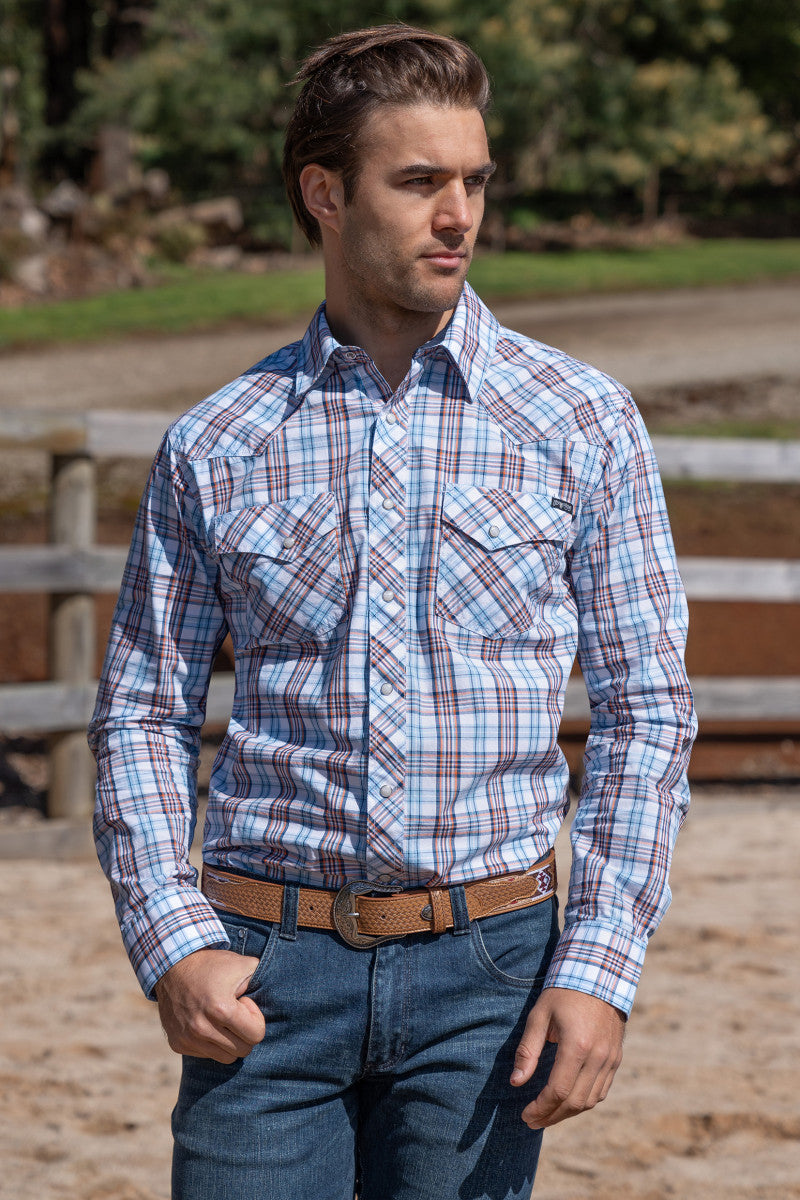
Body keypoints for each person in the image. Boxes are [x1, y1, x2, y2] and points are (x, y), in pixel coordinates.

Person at [89, 24, 696, 1200]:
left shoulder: (581, 422)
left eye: (473, 180)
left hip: (490, 980)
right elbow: (141, 715)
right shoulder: (216, 443)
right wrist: (171, 939)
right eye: (418, 182)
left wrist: (598, 966)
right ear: (324, 193)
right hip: (262, 978)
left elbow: (646, 712)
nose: (457, 215)